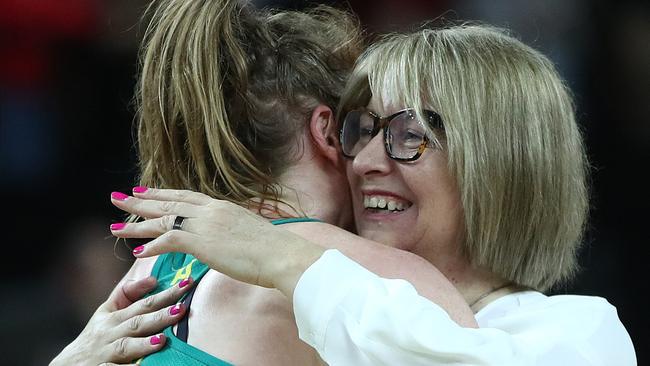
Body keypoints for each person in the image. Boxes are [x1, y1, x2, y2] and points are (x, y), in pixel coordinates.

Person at [110, 24, 637, 365]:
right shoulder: (301, 305)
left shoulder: (583, 334)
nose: (363, 161)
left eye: (409, 135)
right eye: (361, 128)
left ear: (501, 158)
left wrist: (285, 257)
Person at [51, 1, 477, 365]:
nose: (368, 158)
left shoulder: (149, 270)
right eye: (360, 130)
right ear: (327, 132)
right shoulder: (384, 275)